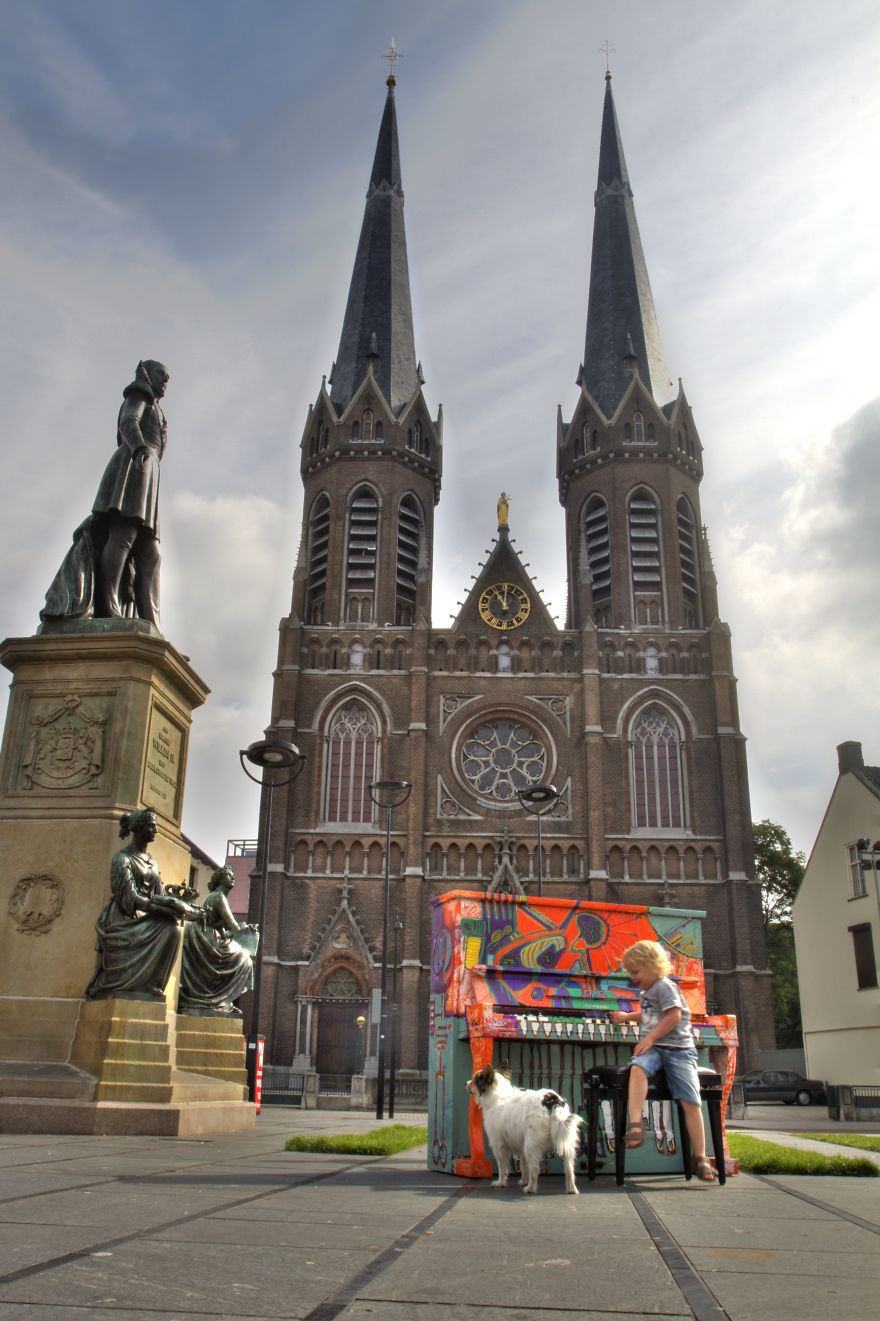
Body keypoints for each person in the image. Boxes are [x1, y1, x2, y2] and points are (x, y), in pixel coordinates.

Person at [40, 359, 169, 628]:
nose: (165, 380)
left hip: (149, 470)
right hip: (135, 464)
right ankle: (109, 609)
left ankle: (151, 625)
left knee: (151, 552)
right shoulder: (138, 392)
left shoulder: (158, 409)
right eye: (161, 375)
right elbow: (129, 420)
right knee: (124, 535)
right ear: (146, 374)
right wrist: (138, 448)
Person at [609, 939, 717, 1182]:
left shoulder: (665, 986)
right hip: (657, 1048)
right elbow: (649, 1014)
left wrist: (650, 1038)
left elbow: (674, 1016)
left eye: (635, 972)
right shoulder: (648, 991)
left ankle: (700, 1157)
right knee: (637, 1067)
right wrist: (628, 1016)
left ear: (653, 966)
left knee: (690, 1101)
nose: (633, 978)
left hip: (678, 1049)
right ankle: (636, 1123)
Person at [86, 808, 196, 1000]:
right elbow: (129, 898)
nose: (156, 830)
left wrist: (176, 905)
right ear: (139, 828)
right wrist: (163, 906)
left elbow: (159, 894)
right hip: (123, 917)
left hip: (146, 917)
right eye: (152, 825)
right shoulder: (122, 859)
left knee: (174, 929)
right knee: (169, 928)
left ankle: (153, 983)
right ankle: (120, 983)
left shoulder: (152, 861)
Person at [178, 867, 258, 1016]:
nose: (232, 877)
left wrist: (242, 929)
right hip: (206, 939)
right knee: (245, 960)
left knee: (239, 955)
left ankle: (217, 999)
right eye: (228, 875)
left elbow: (223, 929)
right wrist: (249, 929)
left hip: (207, 936)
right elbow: (233, 927)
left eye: (233, 875)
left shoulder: (215, 896)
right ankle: (218, 1000)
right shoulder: (219, 897)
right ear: (220, 879)